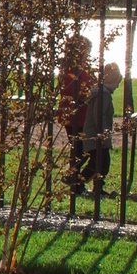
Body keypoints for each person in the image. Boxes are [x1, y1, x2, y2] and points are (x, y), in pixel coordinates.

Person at [72, 61, 120, 200]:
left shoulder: (100, 92)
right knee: (100, 163)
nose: (117, 86)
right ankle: (79, 184)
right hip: (97, 135)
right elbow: (99, 116)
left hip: (94, 133)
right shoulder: (103, 95)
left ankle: (92, 186)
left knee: (98, 162)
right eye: (117, 82)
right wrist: (104, 134)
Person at [57, 37, 93, 195]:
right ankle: (74, 180)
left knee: (78, 149)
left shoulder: (68, 67)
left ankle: (74, 180)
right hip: (78, 115)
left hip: (73, 115)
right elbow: (80, 91)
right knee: (81, 150)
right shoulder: (76, 69)